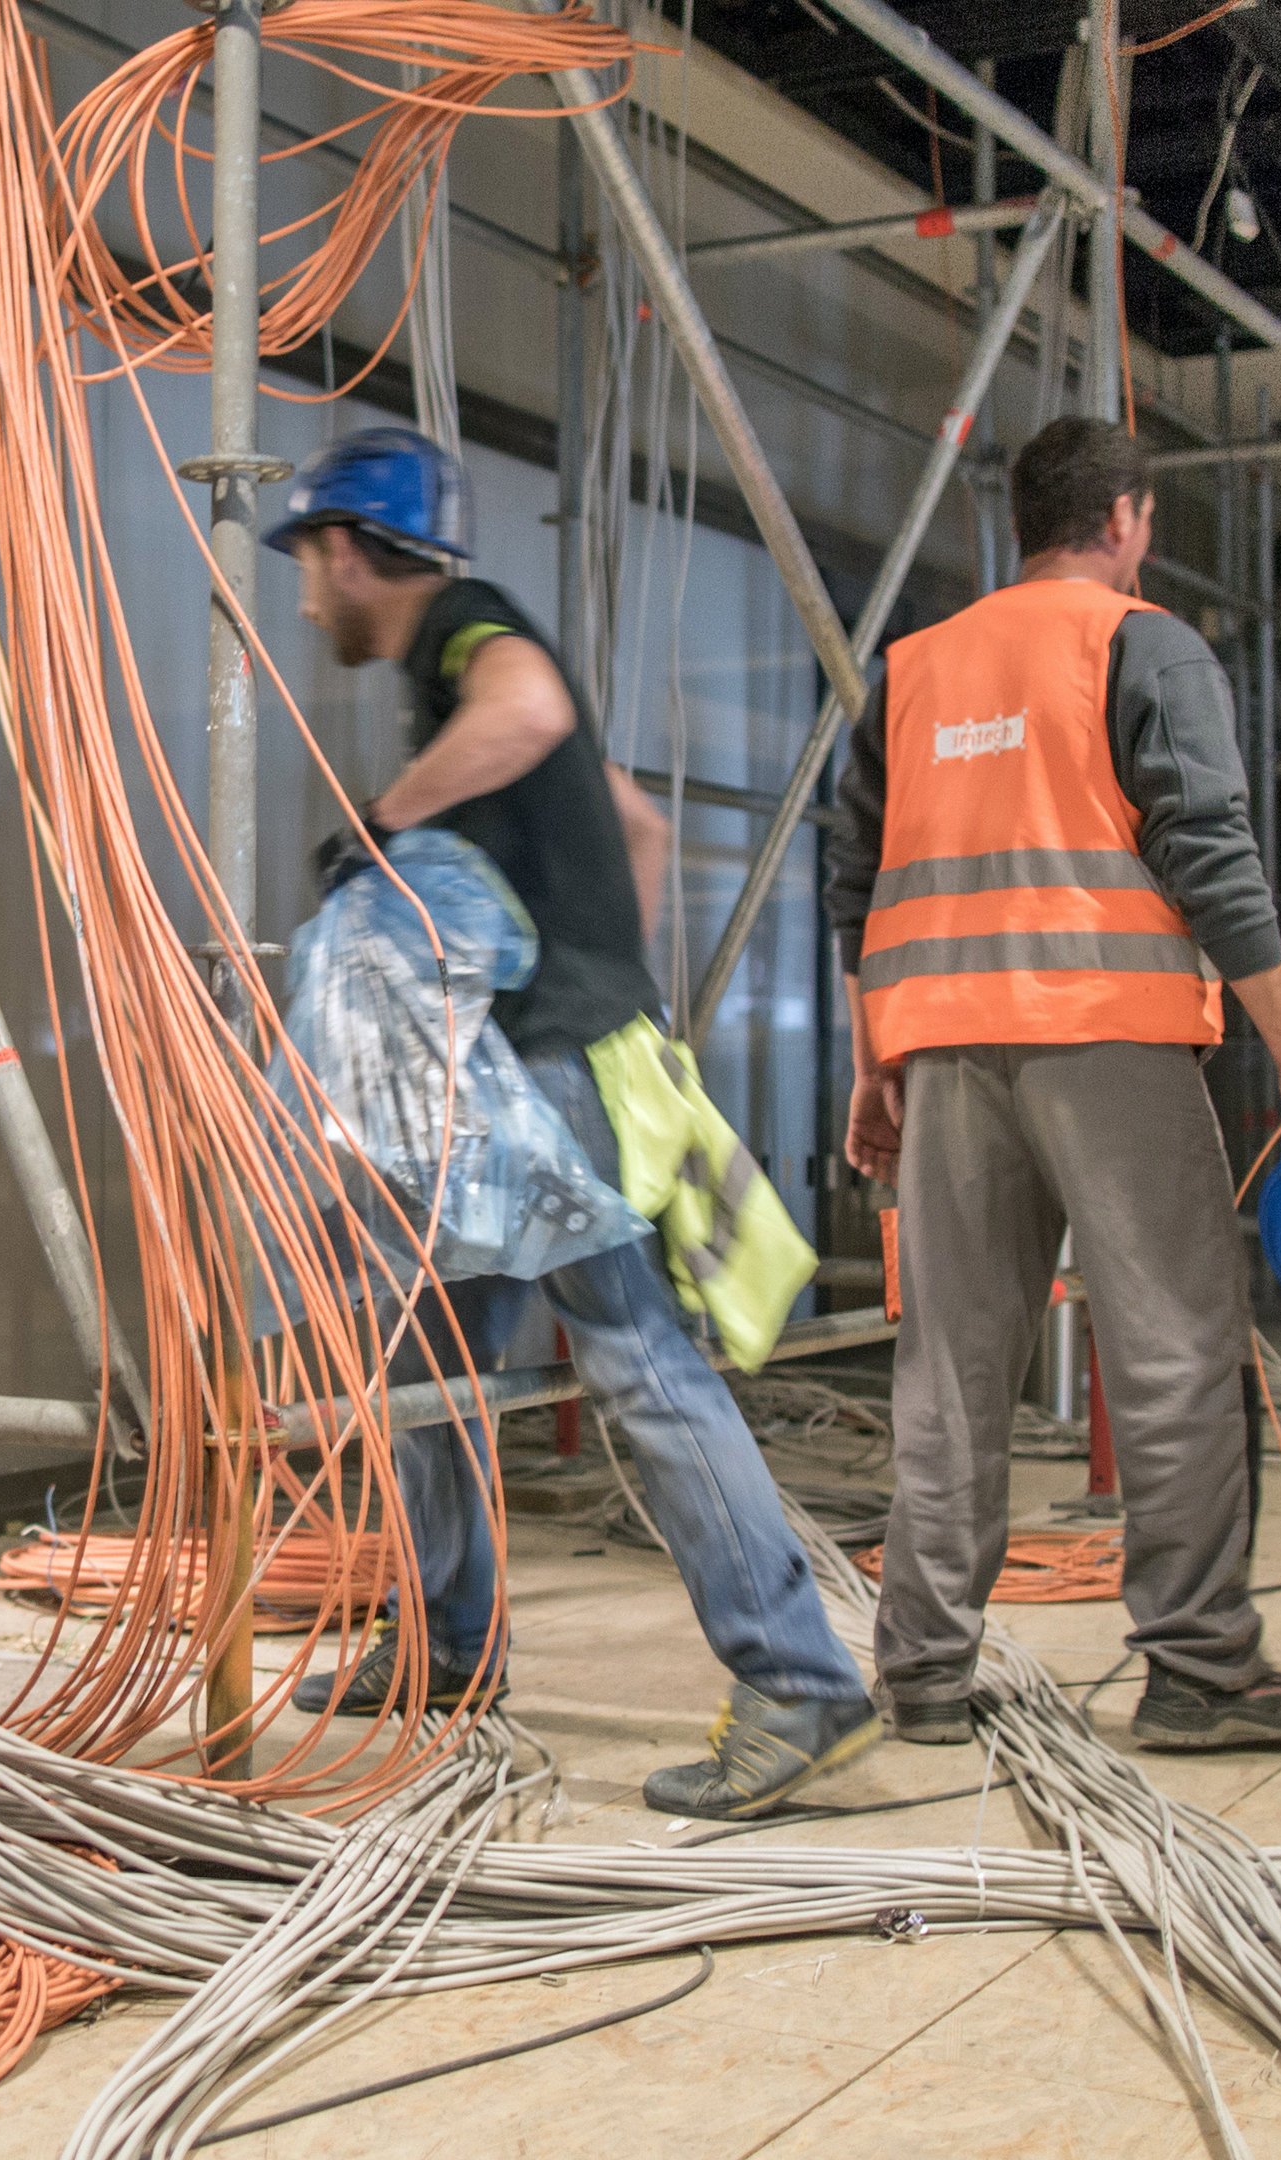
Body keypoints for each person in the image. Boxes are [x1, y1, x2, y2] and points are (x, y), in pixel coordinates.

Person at [266, 425, 880, 1819]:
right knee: (417, 1348)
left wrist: (381, 823)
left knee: (638, 1365)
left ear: (359, 549)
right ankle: (445, 1641)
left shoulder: (472, 633)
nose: (309, 600)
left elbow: (535, 713)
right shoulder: (458, 674)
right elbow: (636, 821)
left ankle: (799, 1684)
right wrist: (619, 989)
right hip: (542, 1071)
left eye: (312, 564)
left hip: (543, 1086)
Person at [825, 417, 1281, 1753]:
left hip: (946, 1060)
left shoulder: (912, 670)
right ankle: (1197, 1670)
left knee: (949, 1368)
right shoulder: (1143, 643)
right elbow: (1211, 851)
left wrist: (873, 1066)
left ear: (1025, 521)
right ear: (1124, 520)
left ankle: (928, 1673)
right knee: (1174, 1355)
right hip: (1112, 1042)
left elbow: (852, 887)